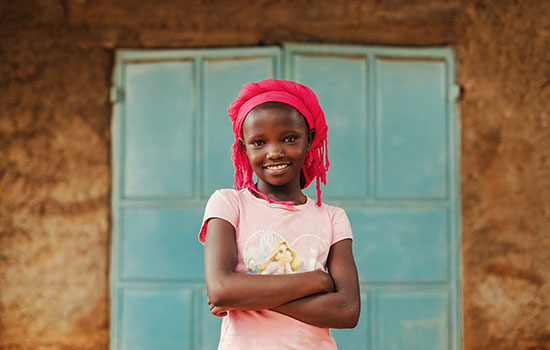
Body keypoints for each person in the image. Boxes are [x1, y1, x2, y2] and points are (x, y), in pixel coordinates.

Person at [199, 78, 360, 349]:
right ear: (243, 147)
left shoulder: (332, 218)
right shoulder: (228, 204)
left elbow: (346, 310)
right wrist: (316, 281)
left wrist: (248, 295)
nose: (274, 152)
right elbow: (222, 289)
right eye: (259, 142)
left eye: (289, 138)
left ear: (309, 140)